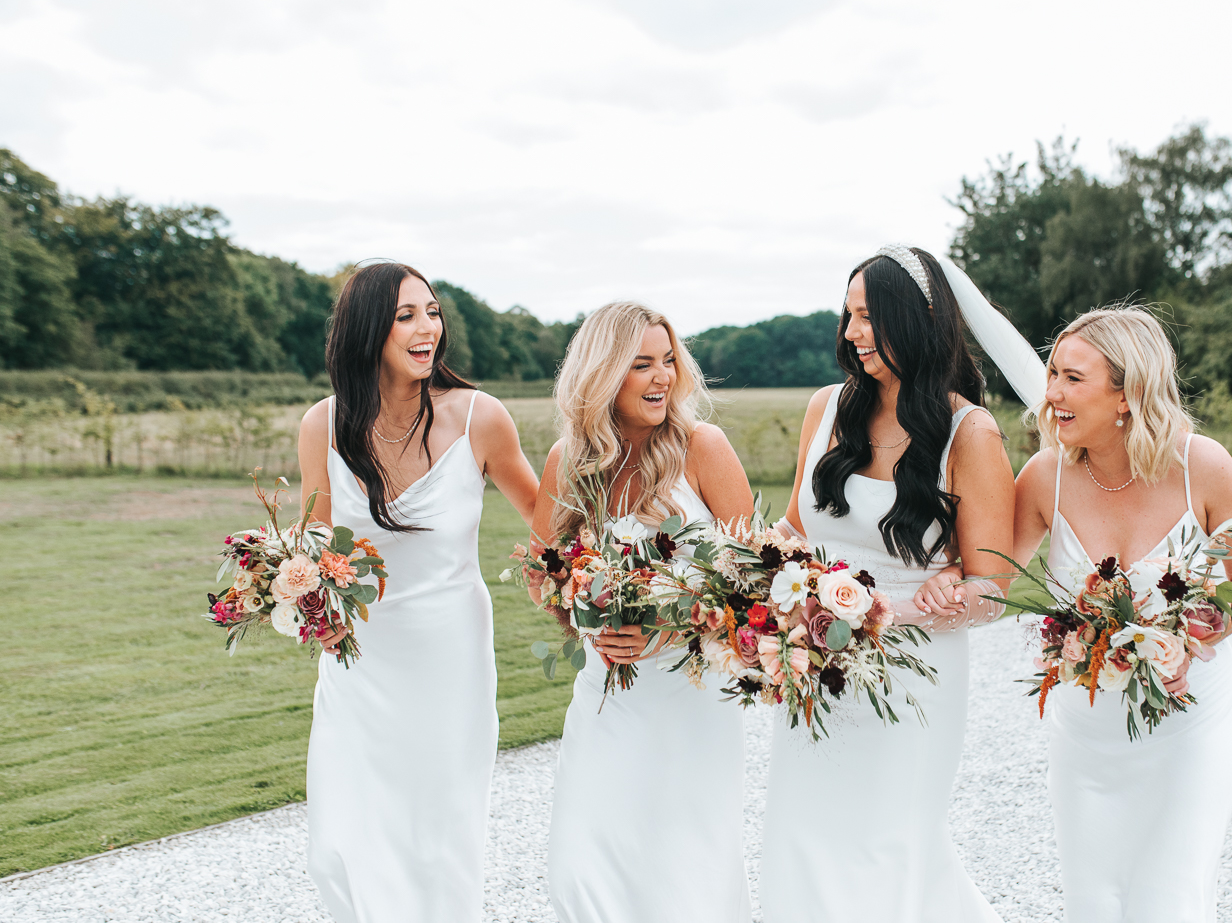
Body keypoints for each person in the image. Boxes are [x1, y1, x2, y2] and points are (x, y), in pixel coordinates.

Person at [1011, 306, 1232, 922]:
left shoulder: (1201, 467)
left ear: (1126, 393)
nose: (1050, 395)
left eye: (1072, 378)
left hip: (1190, 725)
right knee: (1092, 903)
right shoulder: (1043, 476)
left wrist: (1198, 630)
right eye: (1051, 374)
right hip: (1085, 732)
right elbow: (986, 575)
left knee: (1167, 899)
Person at [759, 246, 1025, 923]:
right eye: (848, 316)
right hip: (816, 665)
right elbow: (795, 528)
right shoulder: (828, 408)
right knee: (804, 834)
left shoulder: (971, 434)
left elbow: (992, 588)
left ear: (916, 320)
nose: (851, 334)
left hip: (912, 677)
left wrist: (942, 596)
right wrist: (761, 576)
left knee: (886, 845)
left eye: (868, 317)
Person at [295, 261, 539, 923]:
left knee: (436, 837)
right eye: (406, 315)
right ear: (368, 331)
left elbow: (548, 524)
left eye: (432, 312)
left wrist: (584, 584)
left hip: (449, 657)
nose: (427, 327)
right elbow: (313, 544)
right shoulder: (323, 424)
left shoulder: (479, 418)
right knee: (343, 841)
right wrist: (300, 600)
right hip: (359, 664)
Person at [530, 301, 757, 923]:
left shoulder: (702, 448)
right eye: (641, 364)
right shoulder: (567, 463)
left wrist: (671, 625)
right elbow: (547, 580)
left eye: (669, 361)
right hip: (607, 699)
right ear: (602, 374)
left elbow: (754, 581)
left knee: (685, 876)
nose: (663, 377)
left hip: (691, 701)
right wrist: (588, 617)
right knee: (583, 866)